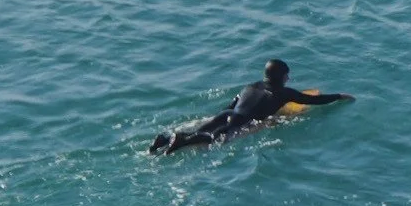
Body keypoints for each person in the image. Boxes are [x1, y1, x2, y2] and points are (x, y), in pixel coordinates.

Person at [150, 60, 352, 153]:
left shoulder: (250, 86)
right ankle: (180, 141)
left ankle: (165, 140)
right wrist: (339, 96)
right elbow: (313, 100)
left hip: (227, 113)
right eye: (287, 75)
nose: (288, 78)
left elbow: (234, 102)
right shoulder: (284, 93)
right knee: (214, 139)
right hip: (243, 121)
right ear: (281, 77)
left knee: (201, 130)